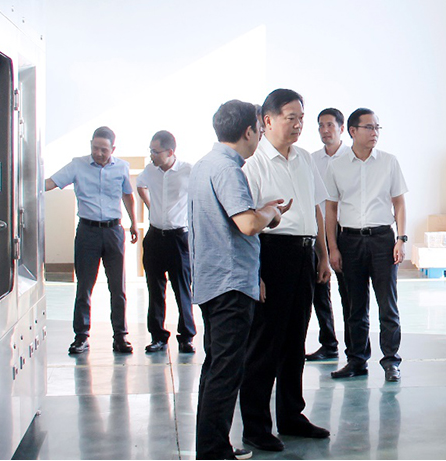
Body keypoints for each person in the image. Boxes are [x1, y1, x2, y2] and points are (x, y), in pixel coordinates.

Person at [190, 99, 289, 460]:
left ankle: (211, 444)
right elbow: (246, 223)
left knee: (215, 367)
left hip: (213, 281)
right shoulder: (229, 170)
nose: (260, 137)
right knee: (226, 371)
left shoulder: (204, 165)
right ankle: (214, 451)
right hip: (230, 285)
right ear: (248, 131)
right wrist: (270, 212)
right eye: (259, 130)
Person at [240, 88, 332, 453]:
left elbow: (315, 209)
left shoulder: (305, 158)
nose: (298, 125)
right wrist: (256, 272)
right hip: (270, 254)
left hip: (304, 254)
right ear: (267, 120)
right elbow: (245, 224)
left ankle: (292, 416)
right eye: (290, 118)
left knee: (295, 342)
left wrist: (323, 256)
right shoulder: (253, 164)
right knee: (265, 344)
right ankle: (255, 426)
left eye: (301, 118)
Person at [325, 108, 407, 382]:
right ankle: (357, 360)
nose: (375, 133)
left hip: (383, 240)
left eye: (377, 128)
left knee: (388, 306)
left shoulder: (389, 162)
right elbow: (331, 209)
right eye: (369, 127)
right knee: (355, 307)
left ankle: (391, 361)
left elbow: (399, 203)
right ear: (353, 131)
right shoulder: (337, 166)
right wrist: (333, 248)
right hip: (349, 241)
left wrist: (401, 239)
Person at [45, 126, 138, 354]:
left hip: (113, 231)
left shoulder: (122, 167)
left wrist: (134, 222)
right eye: (95, 148)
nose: (98, 153)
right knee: (84, 286)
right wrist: (23, 183)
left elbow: (128, 195)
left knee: (118, 287)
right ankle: (81, 337)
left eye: (104, 149)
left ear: (113, 149)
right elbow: (51, 183)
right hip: (88, 232)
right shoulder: (78, 165)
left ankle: (121, 336)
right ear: (90, 145)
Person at [136, 130, 196, 354]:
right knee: (155, 288)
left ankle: (186, 337)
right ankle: (158, 336)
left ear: (170, 152)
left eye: (155, 151)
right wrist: (151, 206)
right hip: (154, 237)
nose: (151, 155)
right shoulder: (149, 170)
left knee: (182, 288)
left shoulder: (188, 171)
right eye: (151, 150)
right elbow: (140, 185)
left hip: (178, 238)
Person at [306, 108, 352, 362]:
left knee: (349, 295)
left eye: (330, 125)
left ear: (341, 129)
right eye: (321, 126)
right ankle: (329, 343)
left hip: (344, 234)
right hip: (317, 234)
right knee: (320, 291)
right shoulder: (312, 160)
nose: (325, 130)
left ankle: (354, 349)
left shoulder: (352, 158)